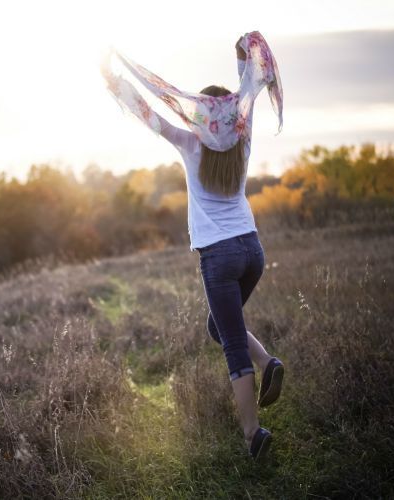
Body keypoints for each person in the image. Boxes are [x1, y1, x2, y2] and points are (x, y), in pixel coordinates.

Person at [102, 33, 284, 460]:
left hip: (219, 257)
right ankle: (269, 364)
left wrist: (113, 81)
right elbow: (249, 93)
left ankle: (252, 434)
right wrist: (244, 54)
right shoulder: (243, 138)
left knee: (230, 342)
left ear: (203, 118)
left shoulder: (190, 143)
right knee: (219, 328)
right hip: (252, 251)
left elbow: (149, 113)